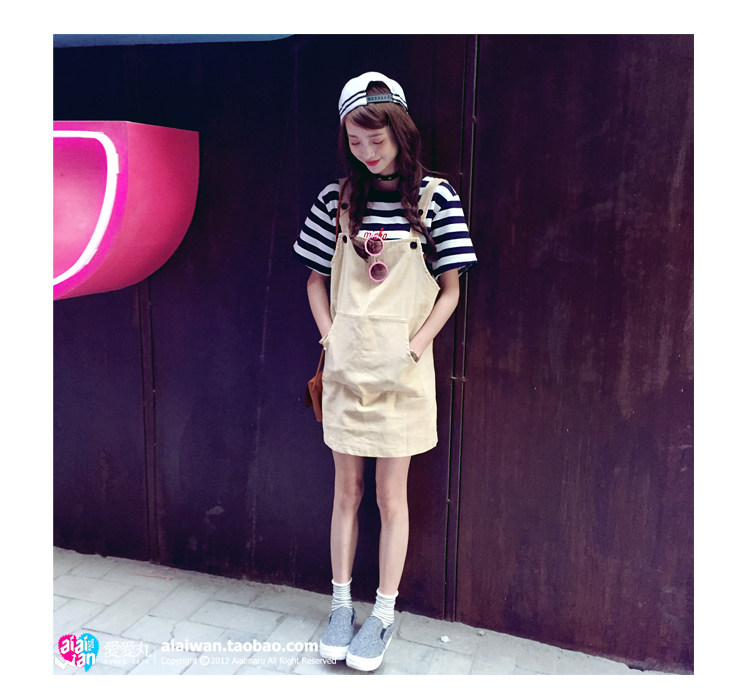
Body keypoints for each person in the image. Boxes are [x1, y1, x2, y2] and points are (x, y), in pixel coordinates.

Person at [293, 71, 477, 671]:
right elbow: (315, 281)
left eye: (378, 139)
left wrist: (415, 348)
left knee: (390, 497)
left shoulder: (436, 199)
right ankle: (340, 605)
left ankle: (385, 613)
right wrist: (332, 337)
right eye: (356, 140)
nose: (368, 151)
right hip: (347, 372)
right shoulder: (336, 199)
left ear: (400, 132)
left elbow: (451, 289)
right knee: (345, 493)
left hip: (402, 376)